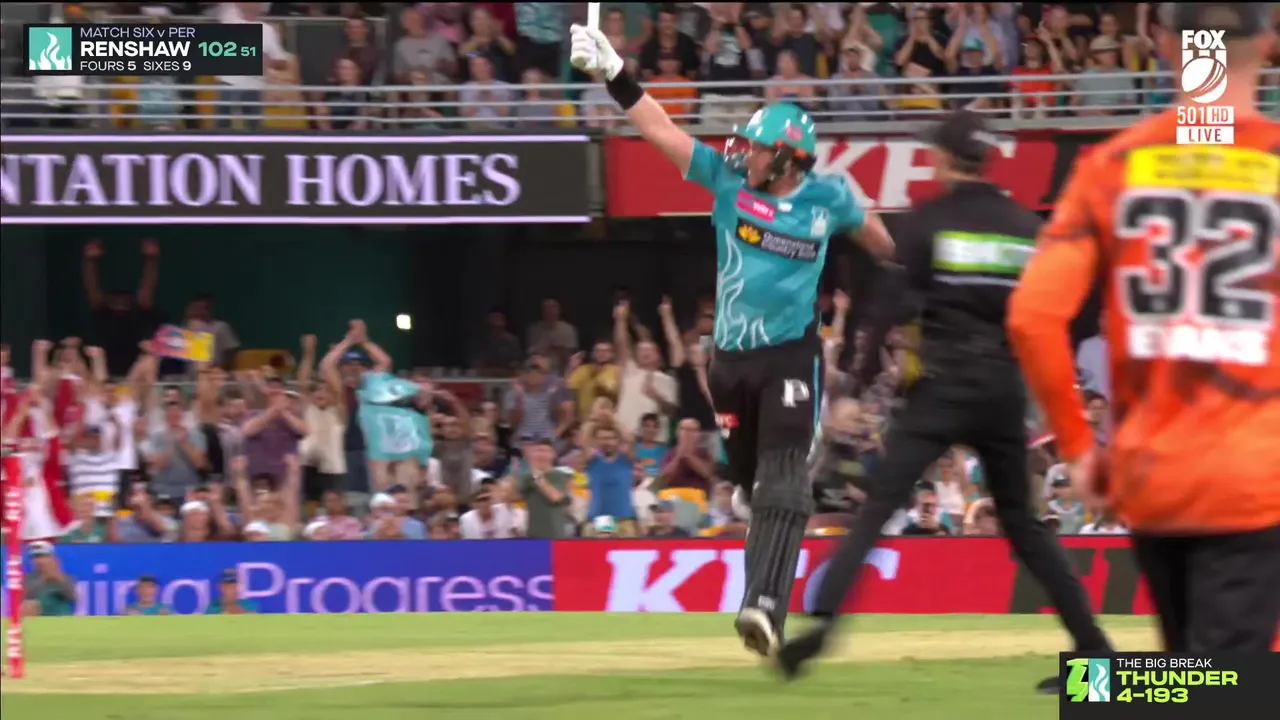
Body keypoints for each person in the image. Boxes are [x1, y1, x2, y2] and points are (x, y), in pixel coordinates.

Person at [570, 19, 896, 658]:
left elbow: (884, 244)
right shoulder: (726, 179)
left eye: (757, 149)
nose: (744, 153)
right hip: (730, 363)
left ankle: (764, 606)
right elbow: (661, 131)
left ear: (789, 160)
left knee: (784, 477)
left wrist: (927, 274)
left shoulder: (830, 198)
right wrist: (614, 74)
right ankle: (761, 562)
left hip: (791, 356)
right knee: (750, 483)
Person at [777, 109, 1113, 687]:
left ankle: (823, 623)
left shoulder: (929, 222)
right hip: (1003, 390)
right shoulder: (1025, 228)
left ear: (946, 158)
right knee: (1024, 526)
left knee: (878, 506)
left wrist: (851, 390)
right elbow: (1054, 312)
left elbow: (884, 312)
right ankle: (1095, 652)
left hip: (942, 388)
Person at [1008, 4, 1280, 653]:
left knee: (1194, 673)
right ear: (1268, 42)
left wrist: (1080, 449)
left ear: (1164, 43)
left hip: (1151, 476)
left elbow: (1032, 316)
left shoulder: (1113, 165)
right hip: (1254, 475)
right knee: (1229, 686)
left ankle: (1101, 689)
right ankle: (1104, 690)